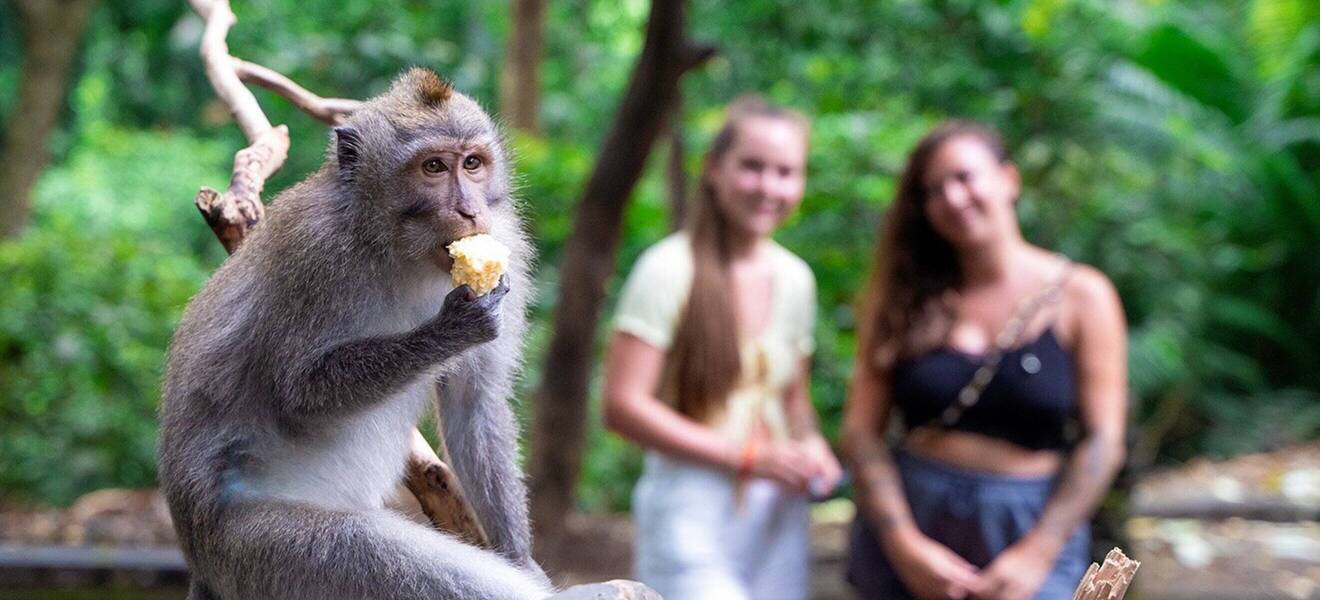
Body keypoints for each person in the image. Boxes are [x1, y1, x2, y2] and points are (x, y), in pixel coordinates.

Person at [842, 121, 1128, 600]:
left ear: (1008, 180)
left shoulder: (1082, 295)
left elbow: (1104, 441)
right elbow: (859, 432)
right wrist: (903, 543)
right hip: (914, 514)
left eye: (964, 177)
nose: (952, 198)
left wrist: (1037, 553)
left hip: (1028, 521)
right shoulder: (905, 297)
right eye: (933, 190)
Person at [601, 96, 843, 600]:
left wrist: (811, 445)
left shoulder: (796, 278)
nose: (768, 187)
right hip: (690, 505)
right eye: (752, 167)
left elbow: (793, 400)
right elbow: (622, 407)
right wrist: (745, 457)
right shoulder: (668, 270)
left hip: (776, 510)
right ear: (714, 169)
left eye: (785, 172)